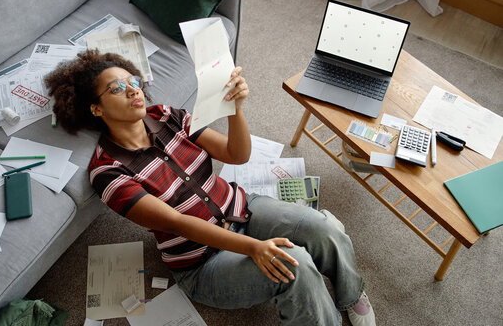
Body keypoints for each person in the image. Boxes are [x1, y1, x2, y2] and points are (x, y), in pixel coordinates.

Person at [45, 49, 376, 326]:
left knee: (323, 227)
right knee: (294, 265)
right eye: (117, 89)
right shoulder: (107, 172)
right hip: (201, 263)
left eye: (134, 82)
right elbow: (177, 222)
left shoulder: (167, 116)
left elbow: (236, 154)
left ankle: (350, 294)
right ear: (96, 108)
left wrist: (236, 108)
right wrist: (252, 248)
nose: (134, 90)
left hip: (240, 207)